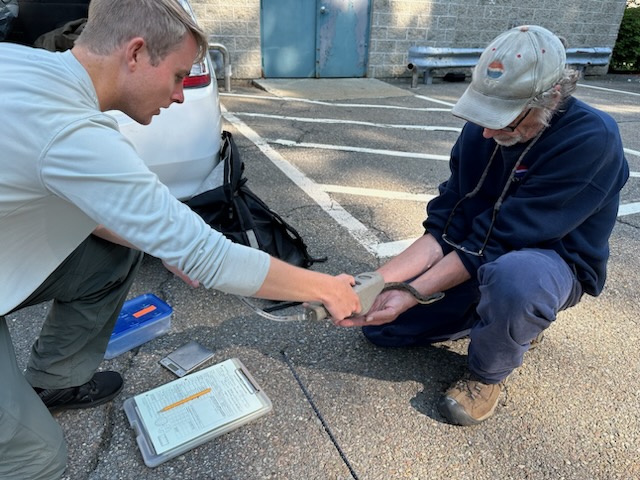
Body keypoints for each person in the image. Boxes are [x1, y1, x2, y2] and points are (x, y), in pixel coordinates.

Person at [0, 0, 361, 478]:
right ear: (135, 53)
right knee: (37, 456)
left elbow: (91, 208)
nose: (178, 96)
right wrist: (326, 289)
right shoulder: (71, 130)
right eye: (177, 76)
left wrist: (159, 242)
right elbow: (208, 256)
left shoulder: (22, 64)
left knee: (118, 249)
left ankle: (54, 383)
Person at [338, 26, 629, 426]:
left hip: (551, 260)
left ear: (552, 97)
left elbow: (501, 240)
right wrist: (372, 284)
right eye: (483, 114)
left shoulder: (590, 140)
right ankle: (507, 320)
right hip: (482, 249)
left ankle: (487, 373)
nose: (488, 132)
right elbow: (446, 222)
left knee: (516, 281)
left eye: (503, 119)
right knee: (382, 331)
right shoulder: (483, 130)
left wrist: (411, 292)